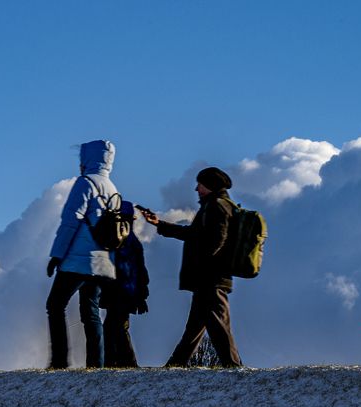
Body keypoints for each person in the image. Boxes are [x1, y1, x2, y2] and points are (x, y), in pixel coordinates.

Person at [138, 166, 242, 368]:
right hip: (209, 277)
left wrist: (202, 263)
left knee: (218, 325)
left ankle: (233, 366)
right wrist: (159, 224)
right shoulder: (215, 206)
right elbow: (192, 234)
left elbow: (215, 240)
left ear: (210, 186)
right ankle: (176, 365)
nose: (196, 189)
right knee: (195, 326)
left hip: (210, 278)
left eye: (200, 184)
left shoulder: (216, 207)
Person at [46, 140, 118, 369]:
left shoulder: (85, 183)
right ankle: (96, 363)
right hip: (103, 263)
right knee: (91, 311)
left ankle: (59, 360)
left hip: (77, 261)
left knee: (55, 305)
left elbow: (70, 221)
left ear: (87, 160)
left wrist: (57, 255)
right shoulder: (113, 188)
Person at [100, 201, 150, 368]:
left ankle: (124, 364)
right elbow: (141, 272)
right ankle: (118, 363)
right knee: (115, 327)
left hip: (120, 292)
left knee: (115, 328)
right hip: (126, 292)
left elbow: (135, 271)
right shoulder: (131, 240)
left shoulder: (120, 241)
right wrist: (142, 295)